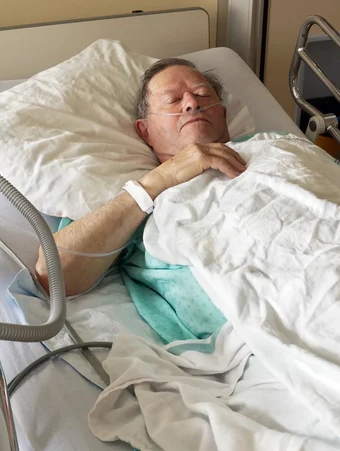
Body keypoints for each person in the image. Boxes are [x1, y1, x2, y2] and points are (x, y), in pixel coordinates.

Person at [35, 58, 247, 296]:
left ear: (224, 113)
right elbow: (52, 275)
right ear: (145, 131)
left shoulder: (276, 143)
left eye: (203, 94)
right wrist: (160, 180)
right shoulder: (133, 203)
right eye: (173, 100)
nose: (191, 103)